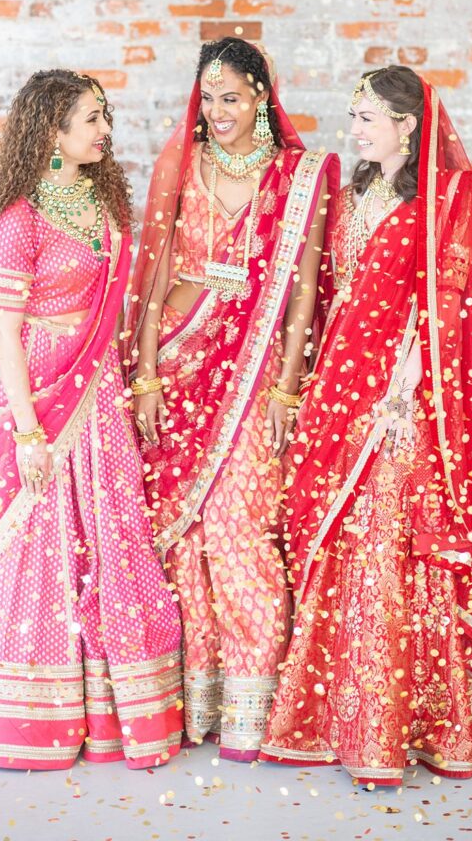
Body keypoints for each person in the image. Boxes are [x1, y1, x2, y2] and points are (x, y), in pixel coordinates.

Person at [260, 66, 472, 782]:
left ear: (407, 124)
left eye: (366, 116)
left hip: (408, 394)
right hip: (341, 388)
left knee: (392, 538)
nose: (354, 128)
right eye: (352, 115)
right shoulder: (349, 196)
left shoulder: (450, 197)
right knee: (343, 538)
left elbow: (452, 306)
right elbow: (336, 297)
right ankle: (343, 707)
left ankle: (406, 714)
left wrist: (405, 389)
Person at [0, 69, 184, 771]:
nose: (103, 130)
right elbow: (6, 336)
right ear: (51, 132)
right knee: (28, 535)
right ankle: (20, 711)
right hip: (32, 390)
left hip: (97, 395)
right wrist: (28, 433)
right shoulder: (19, 221)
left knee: (104, 530)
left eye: (103, 116)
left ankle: (106, 707)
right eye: (90, 119)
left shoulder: (104, 205)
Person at [125, 38, 339, 761]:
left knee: (240, 529)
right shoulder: (180, 165)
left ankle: (255, 708)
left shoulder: (299, 174)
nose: (219, 113)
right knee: (184, 539)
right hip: (181, 367)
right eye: (208, 98)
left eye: (233, 98)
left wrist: (286, 384)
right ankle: (200, 705)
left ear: (260, 98)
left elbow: (305, 289)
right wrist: (146, 375)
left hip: (253, 372)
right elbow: (153, 278)